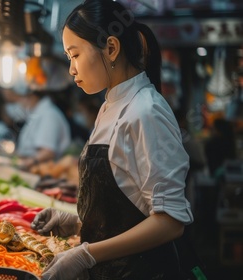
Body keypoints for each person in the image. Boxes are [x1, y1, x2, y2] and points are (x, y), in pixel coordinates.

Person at [31, 1, 194, 279]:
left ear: (111, 48)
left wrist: (87, 253)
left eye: (75, 54)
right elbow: (126, 205)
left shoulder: (147, 111)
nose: (71, 69)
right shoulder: (110, 106)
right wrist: (79, 224)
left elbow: (170, 222)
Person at [16, 56, 72, 169]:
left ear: (31, 96)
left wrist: (26, 164)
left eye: (22, 98)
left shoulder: (49, 115)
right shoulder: (38, 114)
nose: (21, 102)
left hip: (44, 174)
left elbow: (48, 151)